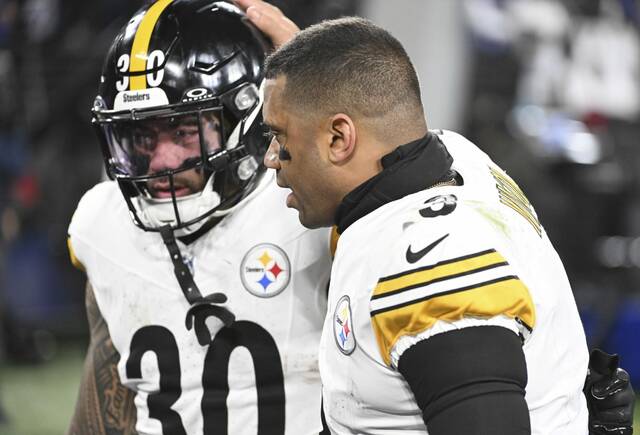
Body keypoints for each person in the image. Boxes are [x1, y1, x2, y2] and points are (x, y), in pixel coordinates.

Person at [262, 17, 635, 434]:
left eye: (280, 136)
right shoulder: (455, 156)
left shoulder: (426, 263)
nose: (271, 158)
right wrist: (305, 80)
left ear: (338, 138)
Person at [66, 1, 333, 434]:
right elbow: (106, 399)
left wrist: (323, 85)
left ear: (247, 116)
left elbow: (428, 197)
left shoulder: (316, 205)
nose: (159, 161)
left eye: (183, 131)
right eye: (141, 135)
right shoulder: (103, 226)